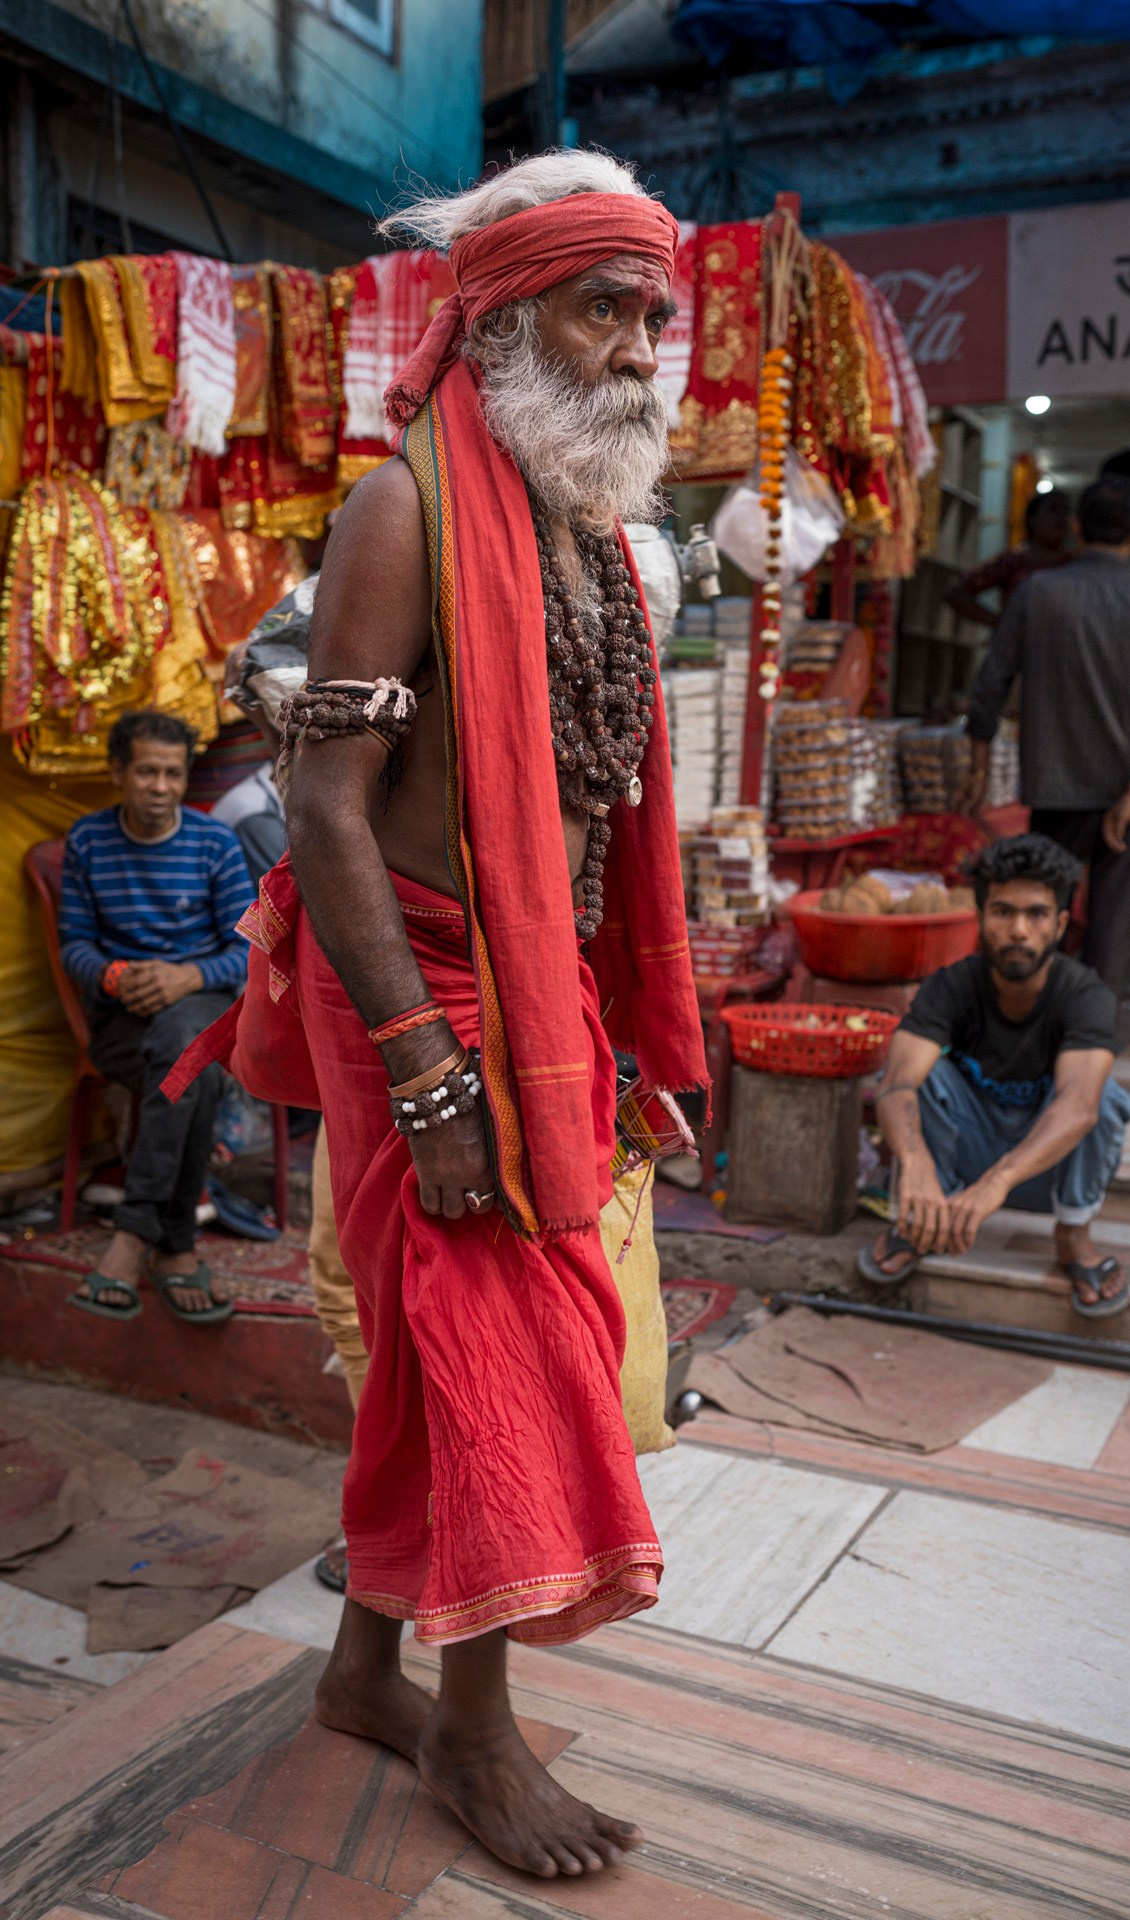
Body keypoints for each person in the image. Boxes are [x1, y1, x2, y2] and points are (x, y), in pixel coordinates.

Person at [167, 149, 707, 1876]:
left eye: (652, 310)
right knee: (504, 1345)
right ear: (498, 321)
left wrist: (603, 1023)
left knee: (427, 1348)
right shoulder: (402, 506)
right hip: (406, 977)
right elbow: (324, 808)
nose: (639, 345)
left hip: (527, 979)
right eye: (599, 305)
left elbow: (591, 815)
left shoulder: (596, 540)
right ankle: (473, 1738)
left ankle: (356, 1674)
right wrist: (422, 1080)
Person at [860, 834, 1130, 1317]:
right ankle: (926, 1219)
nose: (1019, 930)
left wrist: (997, 1182)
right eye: (1003, 912)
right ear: (982, 920)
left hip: (1044, 1167)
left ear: (1060, 923)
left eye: (1036, 914)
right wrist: (916, 1165)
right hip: (968, 1153)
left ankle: (1073, 1235)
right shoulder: (951, 985)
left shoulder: (1087, 995)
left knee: (1104, 1097)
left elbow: (1079, 1106)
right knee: (922, 1077)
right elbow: (897, 1085)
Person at [58, 710, 254, 1324]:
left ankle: (134, 1232)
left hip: (201, 1007)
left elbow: (248, 950)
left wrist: (186, 976)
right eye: (146, 771)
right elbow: (75, 946)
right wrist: (117, 976)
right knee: (194, 1068)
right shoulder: (89, 841)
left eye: (172, 773)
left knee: (186, 1041)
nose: (161, 787)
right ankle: (173, 1244)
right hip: (123, 1019)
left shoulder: (213, 843)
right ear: (119, 772)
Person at [963, 478, 1130, 999]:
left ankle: (1034, 1013)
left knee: (1041, 905)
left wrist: (978, 762)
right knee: (1113, 919)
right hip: (1122, 791)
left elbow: (991, 681)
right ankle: (1097, 1031)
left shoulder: (1038, 591)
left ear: (1078, 529)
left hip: (1054, 783)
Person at [945, 488, 1072, 632]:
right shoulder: (1013, 562)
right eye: (1053, 510)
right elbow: (957, 593)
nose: (1061, 518)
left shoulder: (1075, 565)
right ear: (1032, 520)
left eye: (1066, 511)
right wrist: (998, 624)